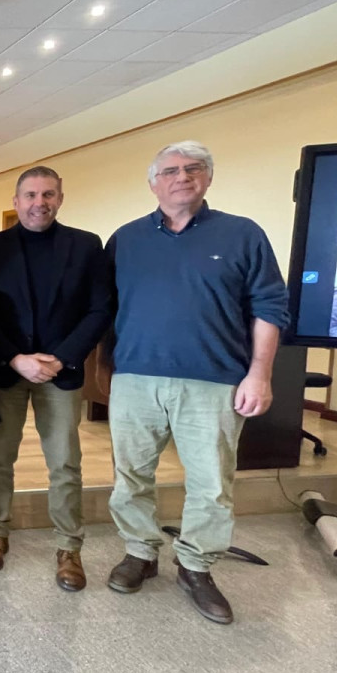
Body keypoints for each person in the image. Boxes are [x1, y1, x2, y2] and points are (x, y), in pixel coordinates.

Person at [105, 141, 289, 625]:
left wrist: (260, 373)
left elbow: (270, 307)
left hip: (213, 380)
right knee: (130, 476)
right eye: (170, 171)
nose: (181, 177)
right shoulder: (126, 239)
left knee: (211, 483)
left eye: (193, 169)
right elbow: (104, 308)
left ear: (207, 178)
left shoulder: (242, 234)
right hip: (136, 378)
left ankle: (196, 567)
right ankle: (140, 552)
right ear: (153, 183)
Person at [0, 166, 111, 591]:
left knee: (64, 461)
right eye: (30, 195)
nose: (39, 203)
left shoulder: (87, 246)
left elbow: (100, 309)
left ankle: (69, 546)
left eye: (48, 194)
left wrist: (60, 359)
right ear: (16, 201)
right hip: (7, 370)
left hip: (60, 373)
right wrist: (15, 358)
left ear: (60, 199)